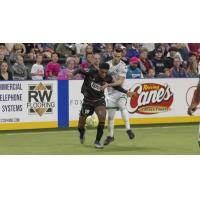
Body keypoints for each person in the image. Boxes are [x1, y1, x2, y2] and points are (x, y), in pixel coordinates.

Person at [73, 63, 133, 148]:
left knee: (102, 117)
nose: (104, 74)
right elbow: (79, 70)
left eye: (105, 72)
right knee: (80, 126)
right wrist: (72, 73)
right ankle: (82, 132)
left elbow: (117, 87)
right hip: (87, 101)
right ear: (99, 69)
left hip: (99, 100)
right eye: (102, 72)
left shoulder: (108, 77)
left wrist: (126, 92)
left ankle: (97, 142)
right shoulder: (91, 72)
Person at [104, 48, 135, 146]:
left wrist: (108, 84)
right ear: (112, 54)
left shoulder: (123, 66)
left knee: (122, 105)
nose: (116, 58)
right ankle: (110, 136)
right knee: (110, 116)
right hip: (111, 94)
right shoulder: (107, 65)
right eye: (115, 56)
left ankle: (128, 129)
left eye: (118, 56)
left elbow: (120, 82)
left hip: (121, 91)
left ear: (121, 56)